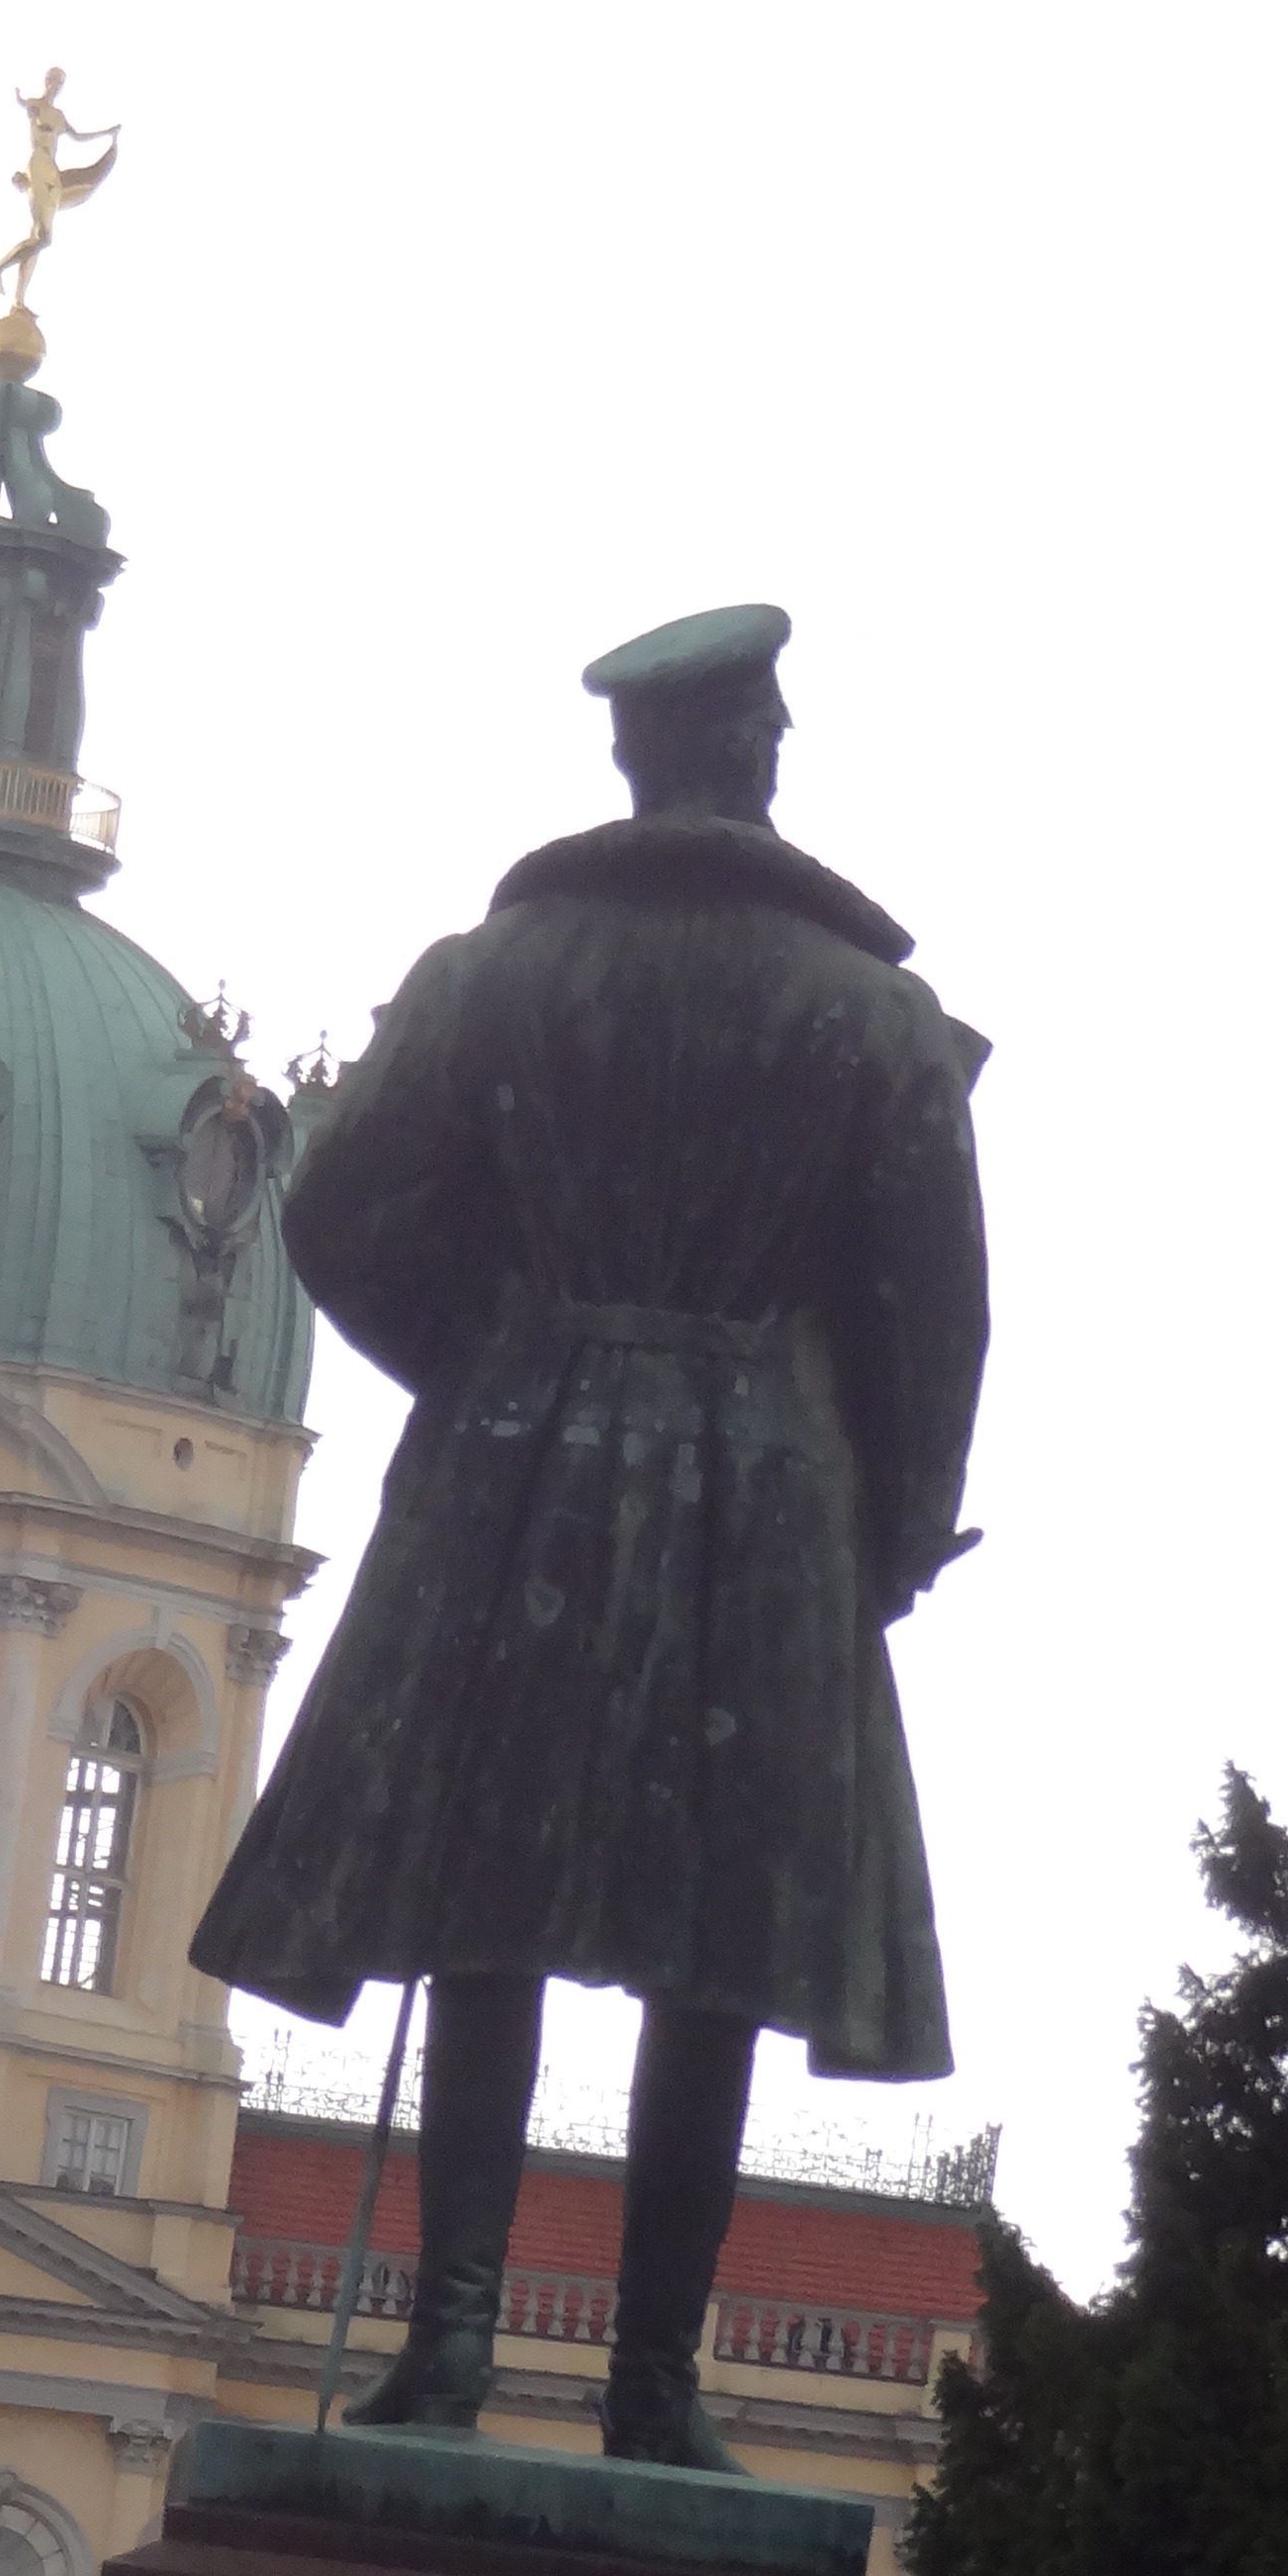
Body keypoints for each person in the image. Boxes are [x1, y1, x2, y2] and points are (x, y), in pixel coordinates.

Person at [194, 604, 987, 2471]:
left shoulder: (497, 972)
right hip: (771, 1494)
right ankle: (652, 2381)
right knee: (718, 1938)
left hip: (523, 1461)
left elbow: (339, 1207)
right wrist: (903, 1512)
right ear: (755, 751)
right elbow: (937, 1312)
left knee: (493, 1907)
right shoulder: (870, 1017)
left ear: (636, 761)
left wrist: (479, 1358)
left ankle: (449, 2346)